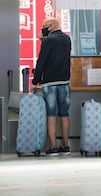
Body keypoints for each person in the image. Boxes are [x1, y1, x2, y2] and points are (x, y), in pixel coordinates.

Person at [32, 18, 72, 156]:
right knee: (65, 114)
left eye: (45, 26)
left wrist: (35, 80)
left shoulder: (48, 41)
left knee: (51, 114)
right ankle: (66, 146)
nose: (43, 28)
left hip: (49, 83)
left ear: (53, 26)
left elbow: (42, 60)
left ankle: (53, 147)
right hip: (64, 82)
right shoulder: (67, 39)